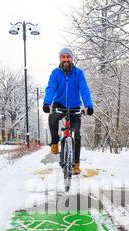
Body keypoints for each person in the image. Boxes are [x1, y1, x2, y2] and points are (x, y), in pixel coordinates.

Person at [43, 47, 94, 175]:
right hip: (59, 104)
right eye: (63, 57)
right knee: (52, 119)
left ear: (72, 59)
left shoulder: (78, 73)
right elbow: (51, 87)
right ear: (60, 59)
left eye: (68, 57)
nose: (66, 60)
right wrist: (47, 103)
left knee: (76, 135)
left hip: (75, 106)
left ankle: (76, 164)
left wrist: (88, 105)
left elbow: (84, 89)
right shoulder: (55, 73)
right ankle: (55, 142)